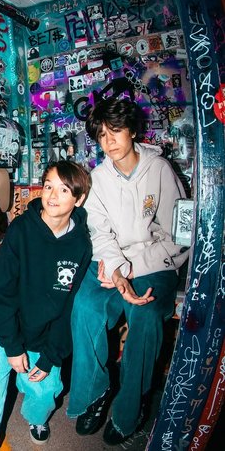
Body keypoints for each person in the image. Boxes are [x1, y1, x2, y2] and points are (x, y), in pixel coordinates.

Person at [67, 97, 189, 445]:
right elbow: (99, 233)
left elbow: (180, 235)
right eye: (102, 135)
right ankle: (95, 391)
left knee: (146, 315)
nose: (109, 141)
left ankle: (130, 408)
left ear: (132, 131)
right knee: (85, 305)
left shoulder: (160, 169)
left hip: (155, 261)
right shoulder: (98, 178)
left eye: (116, 131)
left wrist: (134, 270)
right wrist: (119, 272)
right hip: (111, 260)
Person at [0, 161, 92, 450]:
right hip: (10, 327)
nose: (53, 195)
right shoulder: (21, 230)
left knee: (46, 391)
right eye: (48, 186)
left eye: (64, 189)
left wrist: (50, 356)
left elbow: (70, 307)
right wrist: (12, 346)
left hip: (47, 334)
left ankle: (35, 417)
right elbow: (2, 293)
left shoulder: (81, 244)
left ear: (79, 199)